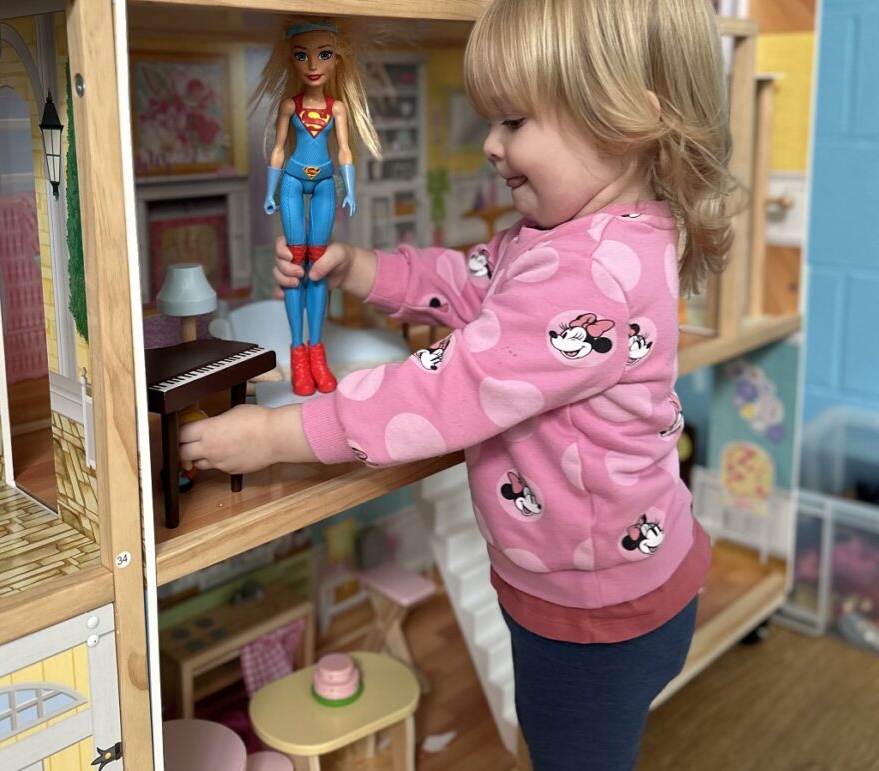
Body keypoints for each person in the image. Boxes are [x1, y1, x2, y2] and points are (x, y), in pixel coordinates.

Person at [184, 0, 733, 767]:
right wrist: (359, 267)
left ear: (626, 122)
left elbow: (448, 387)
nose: (490, 144)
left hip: (596, 614)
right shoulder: (581, 239)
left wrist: (278, 434)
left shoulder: (587, 272)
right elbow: (476, 280)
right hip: (608, 584)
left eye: (514, 121)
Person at [251, 18, 381, 396]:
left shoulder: (337, 108)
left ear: (336, 60)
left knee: (318, 268)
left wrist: (351, 189)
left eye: (323, 54)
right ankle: (298, 354)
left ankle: (317, 353)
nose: (312, 65)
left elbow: (344, 151)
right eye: (301, 55)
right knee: (296, 266)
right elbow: (278, 149)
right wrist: (271, 190)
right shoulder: (288, 107)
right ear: (291, 60)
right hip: (292, 181)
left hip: (325, 183)